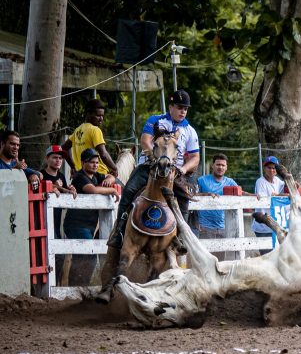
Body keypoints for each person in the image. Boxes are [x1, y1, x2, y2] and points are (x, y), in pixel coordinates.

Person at [107, 89, 200, 250]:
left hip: (174, 172)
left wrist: (183, 169)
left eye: (185, 108)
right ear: (170, 106)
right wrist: (157, 160)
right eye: (179, 107)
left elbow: (195, 157)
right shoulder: (156, 120)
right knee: (128, 191)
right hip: (149, 167)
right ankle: (119, 231)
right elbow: (145, 141)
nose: (183, 111)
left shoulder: (190, 130)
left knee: (184, 200)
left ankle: (180, 237)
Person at [63, 148, 119, 286]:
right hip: (76, 224)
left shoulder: (95, 176)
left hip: (89, 226)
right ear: (83, 163)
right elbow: (92, 190)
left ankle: (80, 286)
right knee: (87, 256)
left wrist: (108, 179)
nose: (95, 165)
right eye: (91, 162)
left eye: (96, 162)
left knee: (84, 257)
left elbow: (113, 176)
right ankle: (76, 287)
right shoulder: (80, 176)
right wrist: (111, 189)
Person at [195, 153, 254, 260]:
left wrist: (253, 196)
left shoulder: (229, 182)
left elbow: (240, 192)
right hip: (205, 227)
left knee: (220, 261)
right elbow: (193, 196)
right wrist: (206, 194)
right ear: (213, 165)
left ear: (226, 168)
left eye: (223, 165)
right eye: (218, 164)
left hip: (223, 227)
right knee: (205, 260)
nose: (220, 167)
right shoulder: (202, 180)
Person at [41, 145, 77, 284]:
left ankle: (55, 285)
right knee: (45, 255)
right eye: (55, 157)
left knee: (60, 256)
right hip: (43, 222)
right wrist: (55, 187)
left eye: (60, 158)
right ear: (47, 159)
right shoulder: (41, 174)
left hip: (58, 222)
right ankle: (45, 287)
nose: (58, 160)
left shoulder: (61, 176)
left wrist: (70, 188)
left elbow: (64, 192)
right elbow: (43, 186)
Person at [62, 99, 117, 183]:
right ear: (88, 114)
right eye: (98, 115)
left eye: (102, 116)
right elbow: (103, 154)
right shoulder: (95, 130)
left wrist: (73, 167)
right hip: (98, 175)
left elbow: (64, 148)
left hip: (81, 174)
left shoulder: (78, 130)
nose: (101, 119)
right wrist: (114, 168)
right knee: (124, 191)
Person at [252, 156, 287, 255]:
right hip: (262, 225)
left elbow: (284, 186)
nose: (272, 170)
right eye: (269, 167)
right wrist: (281, 195)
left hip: (274, 225)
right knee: (266, 255)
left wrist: (294, 185)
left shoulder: (277, 181)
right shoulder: (260, 182)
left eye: (274, 168)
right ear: (264, 168)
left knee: (277, 254)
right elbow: (266, 198)